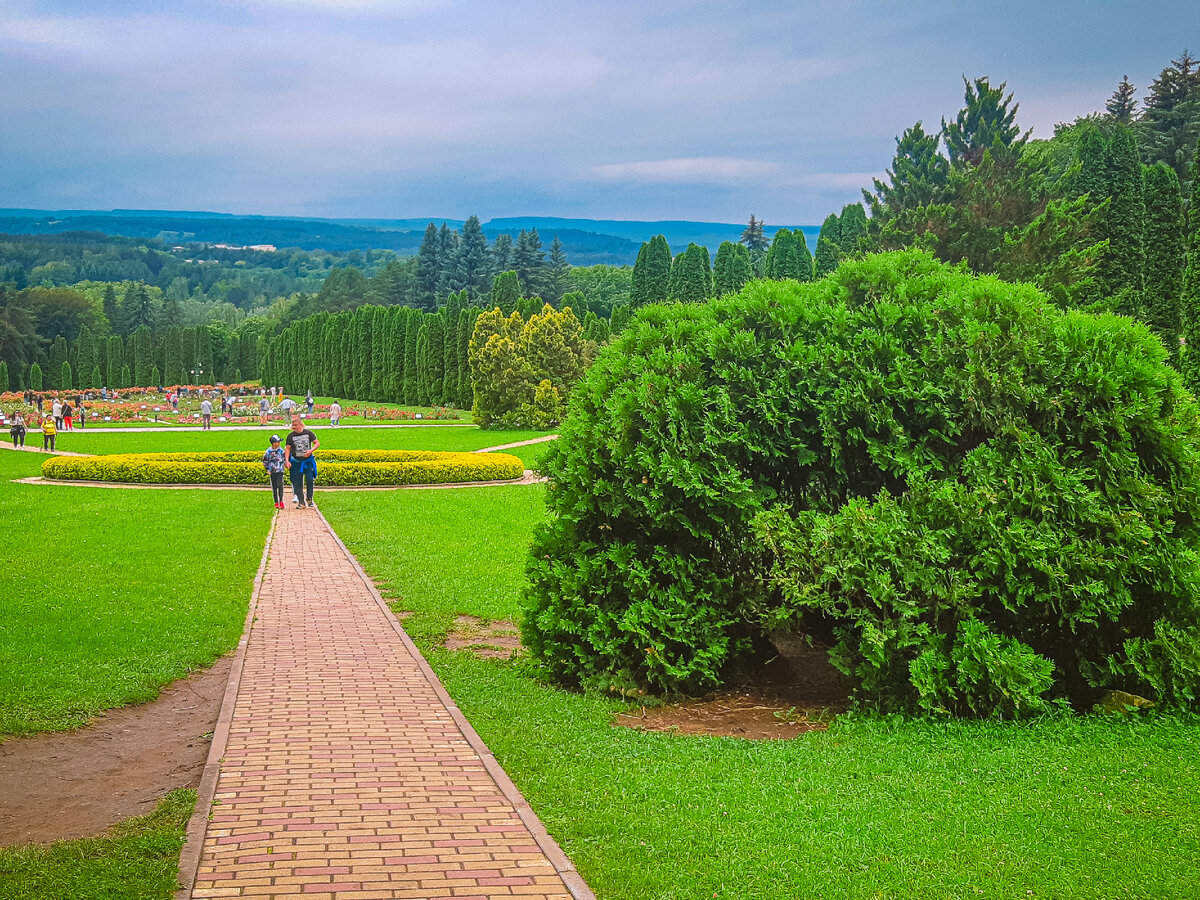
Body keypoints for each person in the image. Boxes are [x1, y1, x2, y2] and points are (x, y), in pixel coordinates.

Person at [284, 416, 319, 509]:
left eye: (295, 425)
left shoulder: (308, 433)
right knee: (297, 482)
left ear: (300, 424)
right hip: (296, 462)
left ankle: (309, 499)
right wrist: (287, 461)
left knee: (310, 479)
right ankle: (301, 501)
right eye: (293, 425)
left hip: (307, 462)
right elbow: (287, 449)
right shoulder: (290, 436)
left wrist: (310, 451)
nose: (294, 427)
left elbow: (317, 443)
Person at [262, 434, 287, 510]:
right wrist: (268, 469)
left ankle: (281, 501)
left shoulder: (281, 450)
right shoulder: (268, 451)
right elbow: (265, 461)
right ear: (273, 443)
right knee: (274, 486)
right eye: (277, 442)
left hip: (280, 470)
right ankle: (276, 501)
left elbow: (284, 457)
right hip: (273, 471)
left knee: (280, 485)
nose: (279, 444)